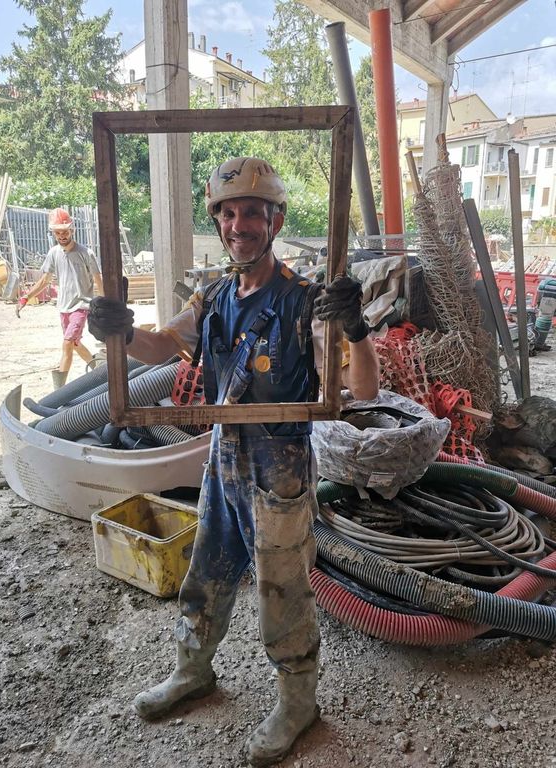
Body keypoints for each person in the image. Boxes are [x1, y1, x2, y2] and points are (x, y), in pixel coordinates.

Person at [87, 157, 379, 766]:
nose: (238, 225)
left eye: (251, 213)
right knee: (208, 571)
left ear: (275, 222)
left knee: (281, 589)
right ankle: (193, 671)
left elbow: (364, 388)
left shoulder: (306, 302)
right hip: (223, 457)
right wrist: (119, 331)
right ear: (218, 222)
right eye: (227, 214)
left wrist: (355, 328)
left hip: (280, 467)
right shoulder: (216, 295)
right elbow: (162, 346)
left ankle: (298, 702)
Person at [17, 208, 104, 389]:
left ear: (72, 230)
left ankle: (59, 391)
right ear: (54, 233)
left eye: (65, 231)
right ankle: (99, 371)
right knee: (75, 344)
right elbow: (45, 280)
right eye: (58, 232)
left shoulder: (86, 253)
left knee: (67, 343)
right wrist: (25, 298)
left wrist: (105, 304)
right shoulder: (54, 253)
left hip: (81, 306)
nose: (62, 235)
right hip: (63, 307)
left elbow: (98, 280)